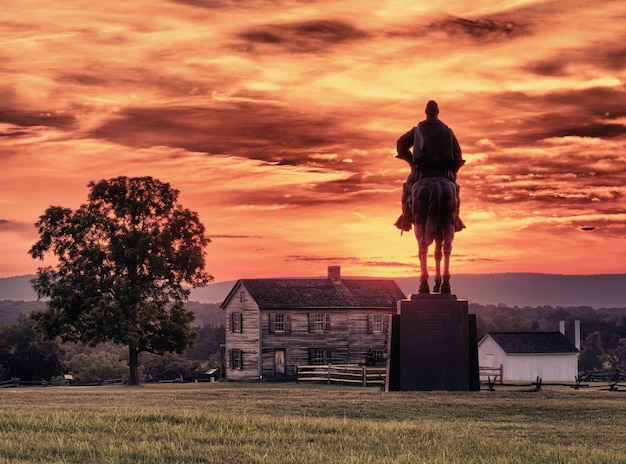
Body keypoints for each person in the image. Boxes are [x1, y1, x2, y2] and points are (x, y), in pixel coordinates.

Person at [394, 100, 465, 232]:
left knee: (407, 188)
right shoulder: (448, 131)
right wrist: (453, 172)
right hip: (444, 173)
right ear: (437, 112)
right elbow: (458, 156)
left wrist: (412, 161)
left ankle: (406, 217)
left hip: (422, 172)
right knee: (454, 191)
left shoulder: (418, 130)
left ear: (426, 112)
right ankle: (455, 219)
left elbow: (400, 145)